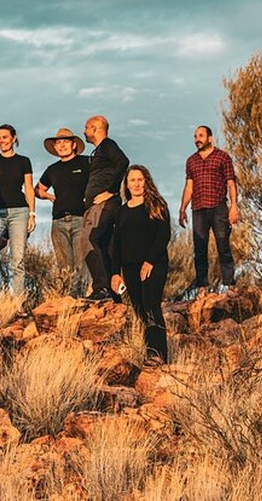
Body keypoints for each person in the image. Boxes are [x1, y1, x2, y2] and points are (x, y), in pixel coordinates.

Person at [110, 165, 170, 365]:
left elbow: (164, 235)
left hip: (154, 265)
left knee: (151, 306)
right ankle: (148, 353)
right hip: (130, 268)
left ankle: (157, 355)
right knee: (140, 311)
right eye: (132, 180)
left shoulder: (156, 204)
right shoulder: (121, 212)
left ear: (147, 181)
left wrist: (150, 261)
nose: (136, 184)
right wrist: (115, 273)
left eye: (140, 179)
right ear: (126, 185)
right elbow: (116, 244)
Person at [0, 124, 35, 317]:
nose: (1, 141)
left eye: (5, 137)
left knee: (17, 257)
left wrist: (32, 215)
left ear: (13, 138)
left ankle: (18, 302)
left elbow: (29, 188)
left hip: (20, 211)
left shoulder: (24, 161)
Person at [179, 125, 238, 295]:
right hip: (198, 208)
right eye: (196, 136)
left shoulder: (222, 157)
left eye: (201, 136)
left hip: (218, 207)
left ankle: (230, 284)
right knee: (199, 248)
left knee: (223, 244)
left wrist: (234, 206)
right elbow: (189, 185)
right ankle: (202, 287)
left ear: (210, 138)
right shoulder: (191, 161)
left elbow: (231, 183)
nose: (198, 139)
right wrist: (182, 208)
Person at [37, 127, 91, 297]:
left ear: (74, 145)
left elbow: (101, 180)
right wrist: (48, 196)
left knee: (82, 262)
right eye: (58, 143)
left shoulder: (86, 162)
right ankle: (69, 300)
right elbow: (37, 189)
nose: (61, 145)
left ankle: (82, 299)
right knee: (64, 265)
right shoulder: (53, 169)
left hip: (81, 218)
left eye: (65, 142)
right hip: (58, 220)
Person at [80, 115, 130, 301]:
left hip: (105, 205)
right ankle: (113, 294)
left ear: (95, 128)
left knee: (89, 239)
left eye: (86, 127)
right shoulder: (100, 151)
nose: (84, 131)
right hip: (99, 206)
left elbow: (123, 162)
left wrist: (110, 191)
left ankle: (101, 288)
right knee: (104, 245)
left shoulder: (108, 145)